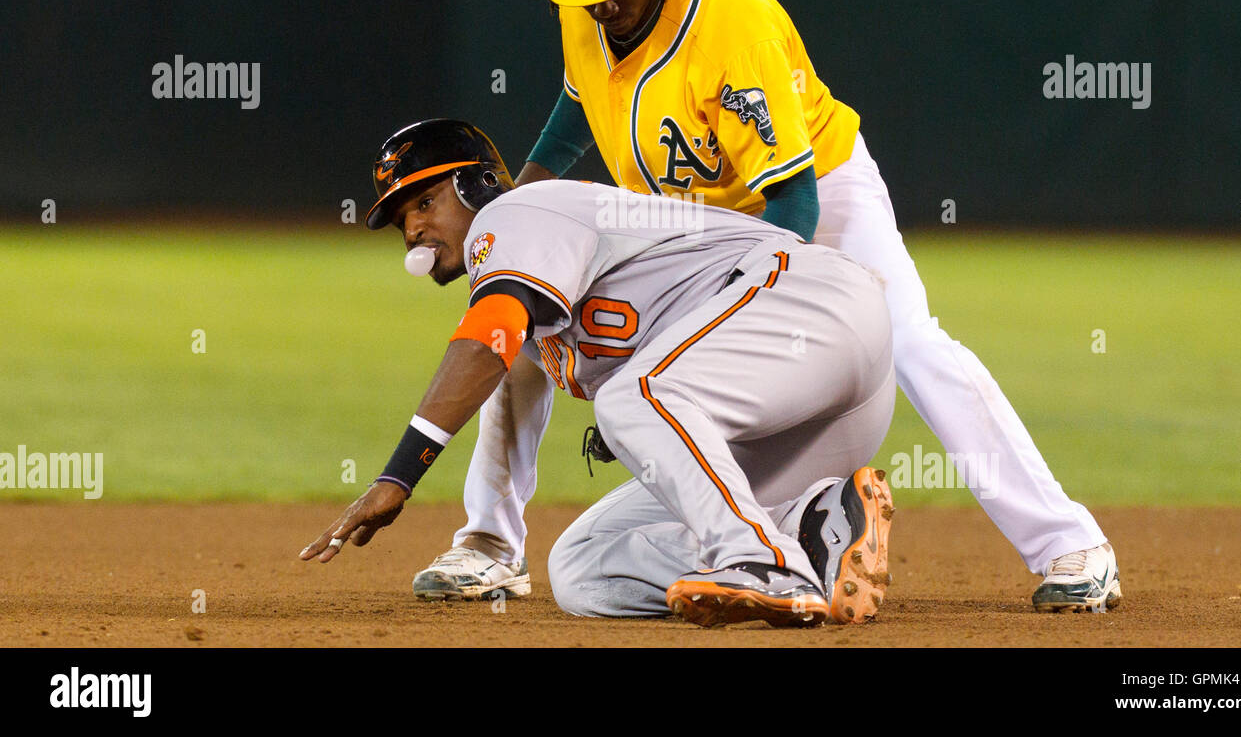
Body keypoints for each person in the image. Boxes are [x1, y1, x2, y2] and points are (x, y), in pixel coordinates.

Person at [421, 0, 1120, 614]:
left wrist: (694, 336)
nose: (605, 2)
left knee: (911, 341)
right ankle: (491, 544)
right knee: (531, 322)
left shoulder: (734, 27)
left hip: (808, 192)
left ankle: (1067, 544)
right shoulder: (587, 4)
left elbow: (793, 203)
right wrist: (528, 199)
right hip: (685, 223)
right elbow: (578, 96)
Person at [299, 118, 898, 627]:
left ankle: (765, 563)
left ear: (478, 185)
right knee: (584, 567)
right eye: (402, 218)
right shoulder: (525, 305)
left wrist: (398, 476)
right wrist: (488, 541)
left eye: (425, 202)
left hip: (812, 300)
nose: (413, 230)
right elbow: (505, 391)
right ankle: (814, 532)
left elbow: (483, 347)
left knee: (631, 402)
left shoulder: (513, 214)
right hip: (813, 415)